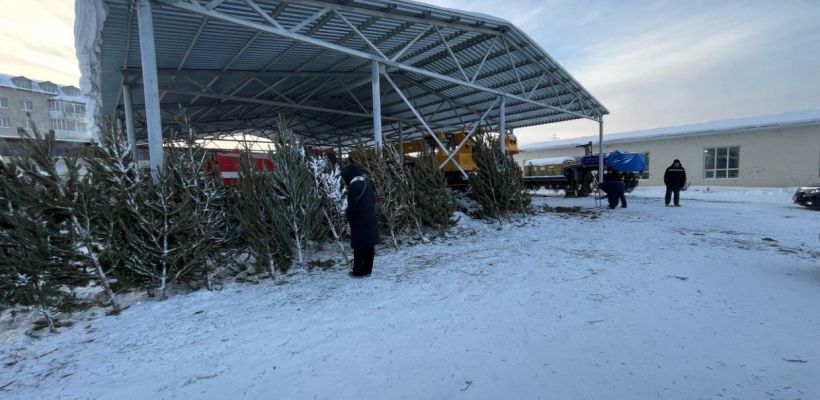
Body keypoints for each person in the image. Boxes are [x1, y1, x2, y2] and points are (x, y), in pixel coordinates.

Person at [341, 163, 379, 278]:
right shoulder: (367, 184)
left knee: (359, 247)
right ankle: (368, 270)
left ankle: (358, 271)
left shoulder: (353, 187)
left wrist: (347, 215)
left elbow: (352, 207)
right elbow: (374, 200)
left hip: (359, 221)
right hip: (371, 218)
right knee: (369, 245)